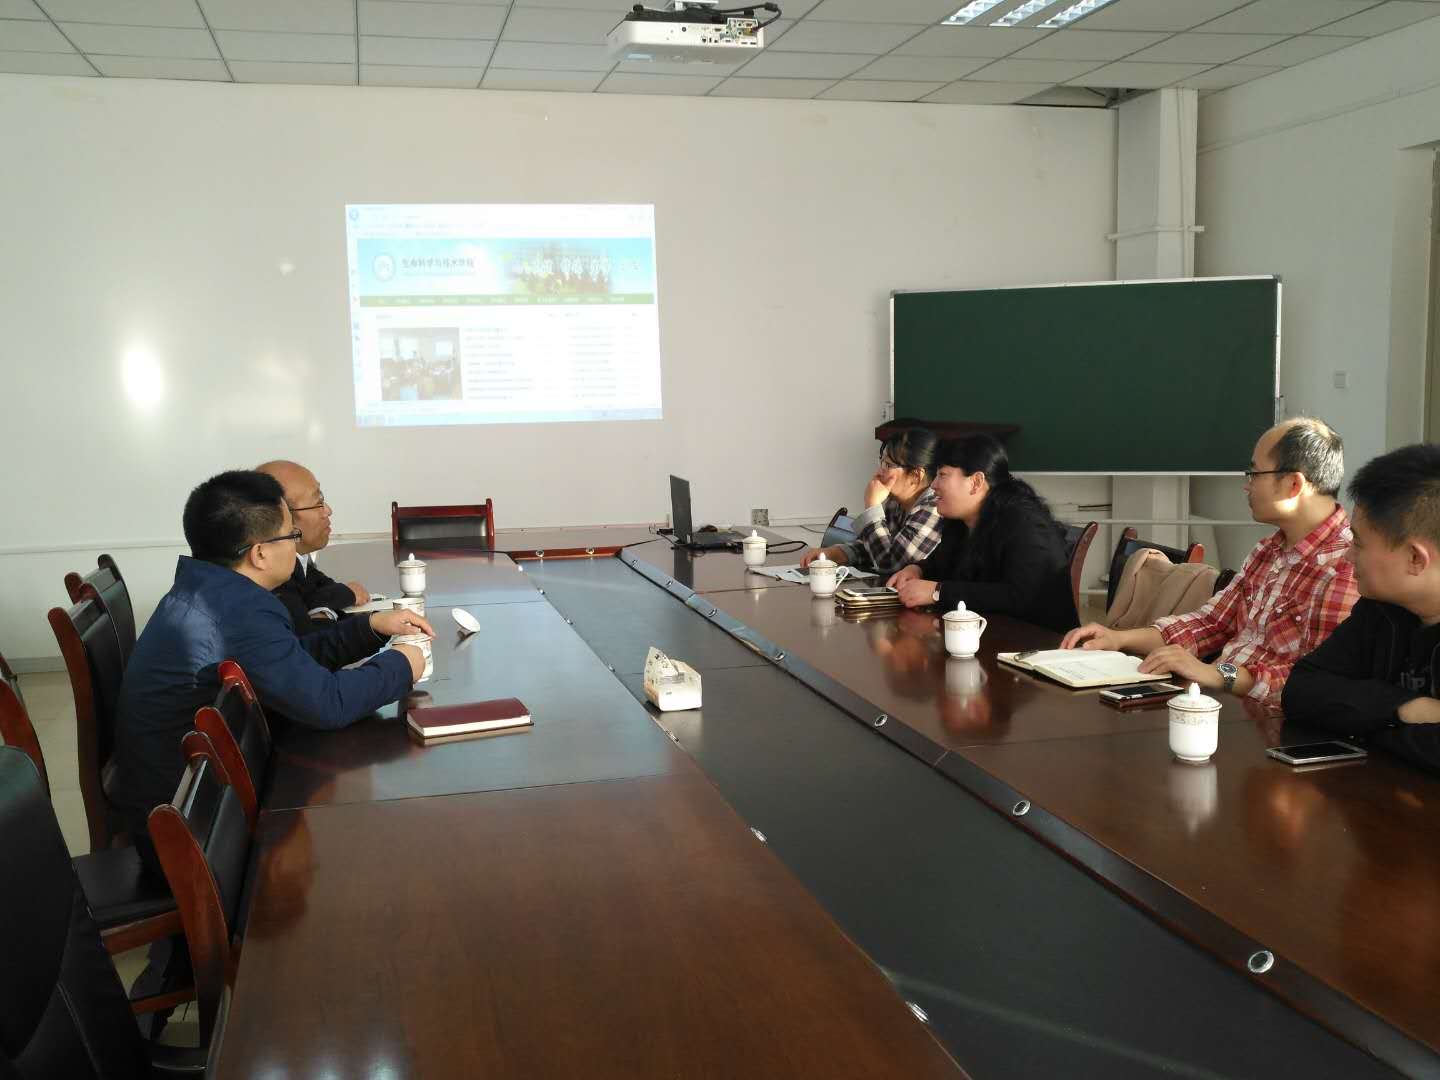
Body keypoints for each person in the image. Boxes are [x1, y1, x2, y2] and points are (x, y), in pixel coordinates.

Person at [112, 469, 431, 876]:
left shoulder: (208, 588)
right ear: (260, 554)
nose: (296, 546)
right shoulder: (239, 611)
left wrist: (370, 628)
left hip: (187, 805)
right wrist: (404, 663)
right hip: (191, 838)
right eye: (290, 536)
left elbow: (289, 660)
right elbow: (327, 703)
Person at [1063, 418, 1357, 708]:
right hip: (1222, 703)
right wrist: (1118, 639)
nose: (1247, 486)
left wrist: (1219, 674)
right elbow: (1211, 623)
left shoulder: (1345, 567)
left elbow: (1313, 685)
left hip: (1272, 720)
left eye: (1254, 473)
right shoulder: (1268, 550)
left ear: (1294, 484)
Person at [1283, 443, 1440, 774]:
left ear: (1415, 558)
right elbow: (1300, 690)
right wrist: (1404, 708)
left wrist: (1363, 724)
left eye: (1358, 543)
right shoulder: (1381, 609)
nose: (1347, 555)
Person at [887, 434, 1077, 632]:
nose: (933, 485)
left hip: (1037, 640)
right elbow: (941, 564)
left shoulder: (1023, 521)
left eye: (942, 475)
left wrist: (938, 592)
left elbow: (1020, 596)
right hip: (988, 634)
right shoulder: (962, 521)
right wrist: (917, 569)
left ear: (976, 482)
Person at [801, 428, 943, 576]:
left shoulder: (934, 508)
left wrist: (872, 506)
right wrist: (834, 553)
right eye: (881, 462)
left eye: (888, 465)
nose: (878, 473)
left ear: (915, 475)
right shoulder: (895, 503)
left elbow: (891, 565)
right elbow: (875, 547)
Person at [256, 459, 370, 635]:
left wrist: (326, 603)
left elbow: (321, 591)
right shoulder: (272, 575)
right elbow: (310, 641)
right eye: (318, 501)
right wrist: (324, 612)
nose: (328, 510)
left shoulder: (299, 559)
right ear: (284, 516)